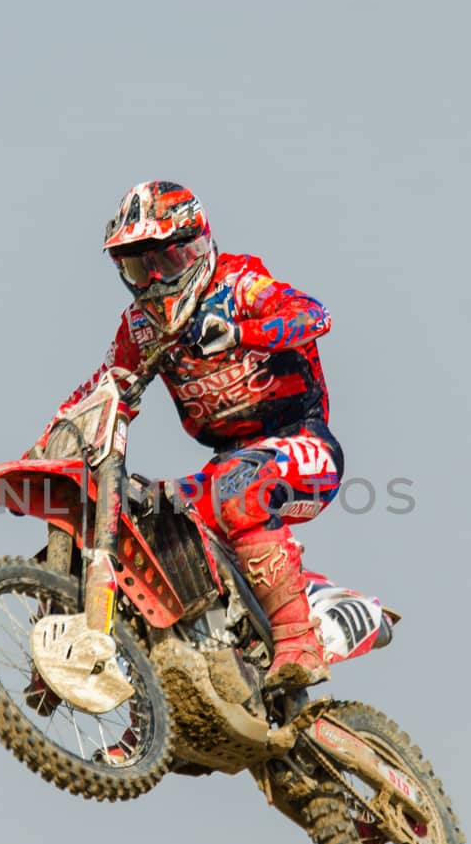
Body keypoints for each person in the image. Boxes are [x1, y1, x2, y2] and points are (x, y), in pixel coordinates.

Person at [31, 180, 345, 688]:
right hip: (223, 463)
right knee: (149, 525)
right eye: (138, 267)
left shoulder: (241, 283)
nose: (155, 280)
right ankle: (157, 696)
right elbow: (104, 385)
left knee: (239, 491)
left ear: (197, 245)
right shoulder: (141, 328)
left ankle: (299, 643)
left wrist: (244, 332)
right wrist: (55, 434)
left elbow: (315, 315)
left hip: (303, 444)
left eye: (167, 261)